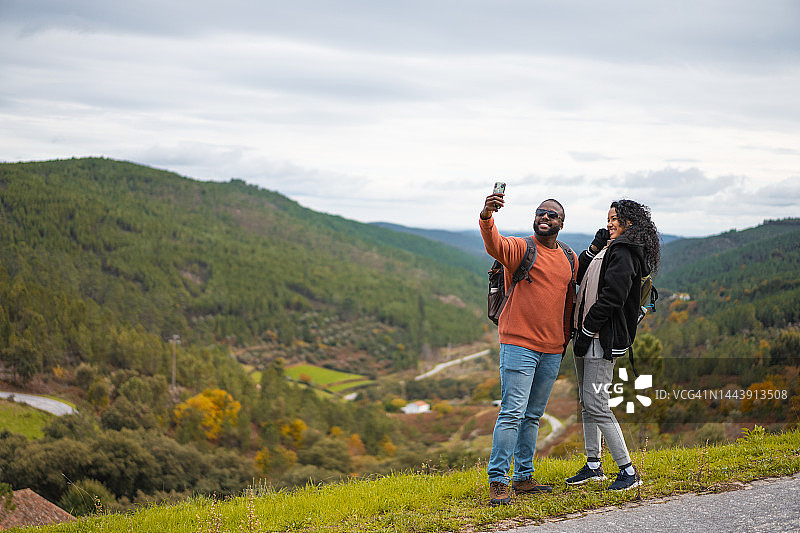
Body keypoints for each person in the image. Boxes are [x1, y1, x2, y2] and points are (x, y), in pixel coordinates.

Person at [479, 191, 578, 506]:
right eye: (541, 213)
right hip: (518, 344)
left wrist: (564, 341)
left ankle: (523, 478)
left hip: (552, 349)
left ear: (561, 223)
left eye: (552, 215)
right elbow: (494, 243)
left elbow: (568, 303)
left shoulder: (569, 258)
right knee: (512, 412)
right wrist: (486, 215)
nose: (545, 218)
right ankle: (498, 481)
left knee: (533, 415)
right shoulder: (522, 248)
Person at [567, 199, 661, 491]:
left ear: (630, 222)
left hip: (599, 337)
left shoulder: (625, 252)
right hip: (586, 334)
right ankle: (594, 466)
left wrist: (587, 329)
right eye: (608, 218)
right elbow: (577, 277)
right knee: (587, 402)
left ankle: (628, 471)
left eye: (615, 218)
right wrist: (592, 250)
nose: (609, 223)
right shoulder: (609, 248)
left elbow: (613, 298)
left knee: (597, 403)